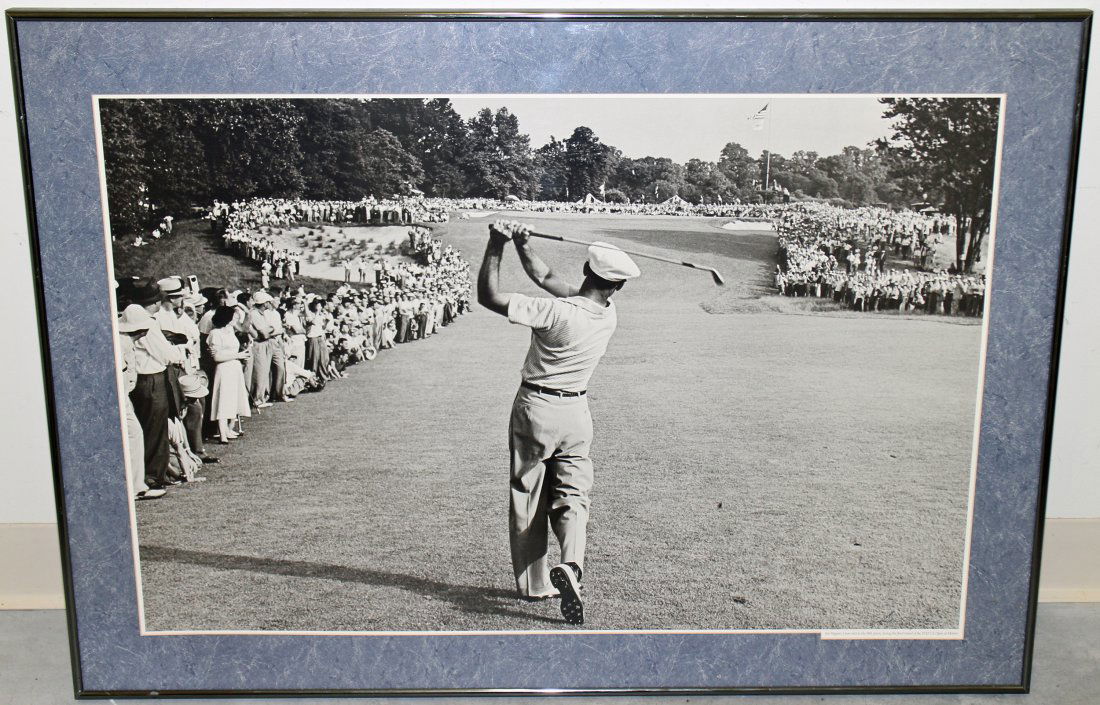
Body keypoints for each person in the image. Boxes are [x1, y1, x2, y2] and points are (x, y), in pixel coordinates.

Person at [477, 220, 640, 626]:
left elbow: (489, 296)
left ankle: (535, 584)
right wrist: (524, 243)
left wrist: (497, 245)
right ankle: (572, 565)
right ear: (616, 286)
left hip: (536, 409)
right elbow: (544, 275)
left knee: (529, 495)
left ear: (587, 271)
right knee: (573, 495)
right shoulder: (608, 314)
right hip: (577, 414)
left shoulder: (553, 311)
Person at [207, 305, 252, 444]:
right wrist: (238, 355)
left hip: (234, 368)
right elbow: (217, 357)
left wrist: (242, 354)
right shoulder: (215, 333)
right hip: (224, 369)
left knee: (234, 397)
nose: (236, 319)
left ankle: (228, 428)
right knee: (224, 399)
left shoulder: (231, 331)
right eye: (234, 317)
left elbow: (230, 352)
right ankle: (222, 434)